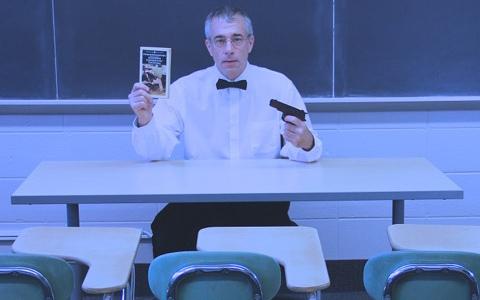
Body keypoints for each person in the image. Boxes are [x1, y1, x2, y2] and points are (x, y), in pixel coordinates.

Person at [128, 5, 322, 257]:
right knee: (166, 228)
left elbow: (308, 151)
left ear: (250, 43)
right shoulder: (184, 89)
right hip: (198, 203)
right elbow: (153, 151)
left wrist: (306, 142)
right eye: (220, 40)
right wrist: (145, 119)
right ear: (209, 46)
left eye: (237, 39)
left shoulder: (279, 85)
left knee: (288, 243)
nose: (229, 48)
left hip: (262, 204)